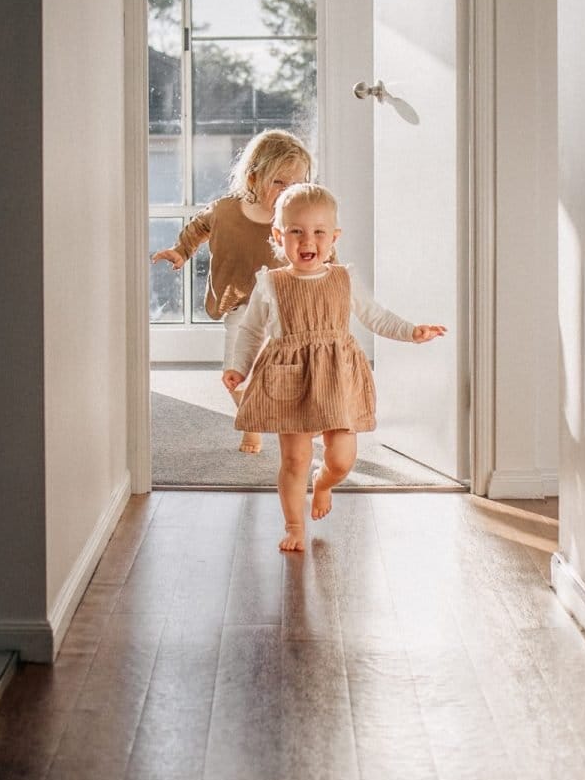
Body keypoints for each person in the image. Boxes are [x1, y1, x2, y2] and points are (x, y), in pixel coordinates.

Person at [222, 183, 445, 552]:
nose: (307, 240)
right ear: (279, 235)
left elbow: (376, 316)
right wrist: (238, 367)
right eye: (296, 231)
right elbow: (251, 330)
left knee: (342, 459)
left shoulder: (344, 278)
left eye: (318, 232)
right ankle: (294, 525)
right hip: (290, 380)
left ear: (333, 237)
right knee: (294, 459)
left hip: (338, 379)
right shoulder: (272, 284)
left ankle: (323, 483)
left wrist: (411, 332)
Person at [152, 130, 311, 455]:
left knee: (289, 373)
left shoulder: (296, 218)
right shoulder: (225, 211)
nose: (288, 193)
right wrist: (181, 251)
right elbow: (199, 227)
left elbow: (319, 247)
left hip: (287, 305)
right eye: (280, 183)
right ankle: (253, 419)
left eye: (297, 184)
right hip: (241, 305)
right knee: (235, 375)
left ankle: (280, 422)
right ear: (253, 178)